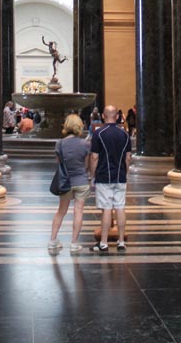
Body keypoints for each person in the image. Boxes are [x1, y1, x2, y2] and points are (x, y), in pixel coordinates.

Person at [89, 105, 132, 254]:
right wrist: (124, 173)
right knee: (120, 207)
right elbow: (128, 157)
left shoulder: (99, 134)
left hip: (104, 176)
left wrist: (92, 175)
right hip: (120, 176)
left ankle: (104, 243)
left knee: (106, 209)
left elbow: (94, 157)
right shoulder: (125, 134)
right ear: (117, 116)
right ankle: (121, 242)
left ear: (103, 115)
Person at [48, 114, 91, 254]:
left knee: (61, 211)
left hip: (66, 181)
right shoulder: (85, 144)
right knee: (78, 211)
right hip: (82, 181)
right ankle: (74, 243)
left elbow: (59, 163)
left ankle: (53, 240)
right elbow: (86, 164)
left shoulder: (59, 143)